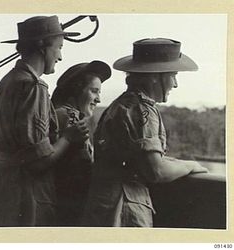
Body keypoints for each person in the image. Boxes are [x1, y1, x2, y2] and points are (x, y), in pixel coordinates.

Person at [0, 15, 90, 227]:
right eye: (59, 48)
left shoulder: (7, 82)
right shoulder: (34, 87)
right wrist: (68, 137)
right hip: (25, 198)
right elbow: (39, 161)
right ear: (42, 47)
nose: (61, 57)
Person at [82, 38, 209, 227]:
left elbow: (142, 159)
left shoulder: (122, 105)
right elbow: (156, 171)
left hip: (107, 205)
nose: (175, 84)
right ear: (154, 76)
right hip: (124, 210)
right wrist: (190, 166)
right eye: (173, 75)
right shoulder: (142, 110)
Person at [51, 61, 112, 226]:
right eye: (94, 91)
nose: (98, 99)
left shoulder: (60, 113)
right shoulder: (70, 117)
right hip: (66, 205)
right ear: (76, 89)